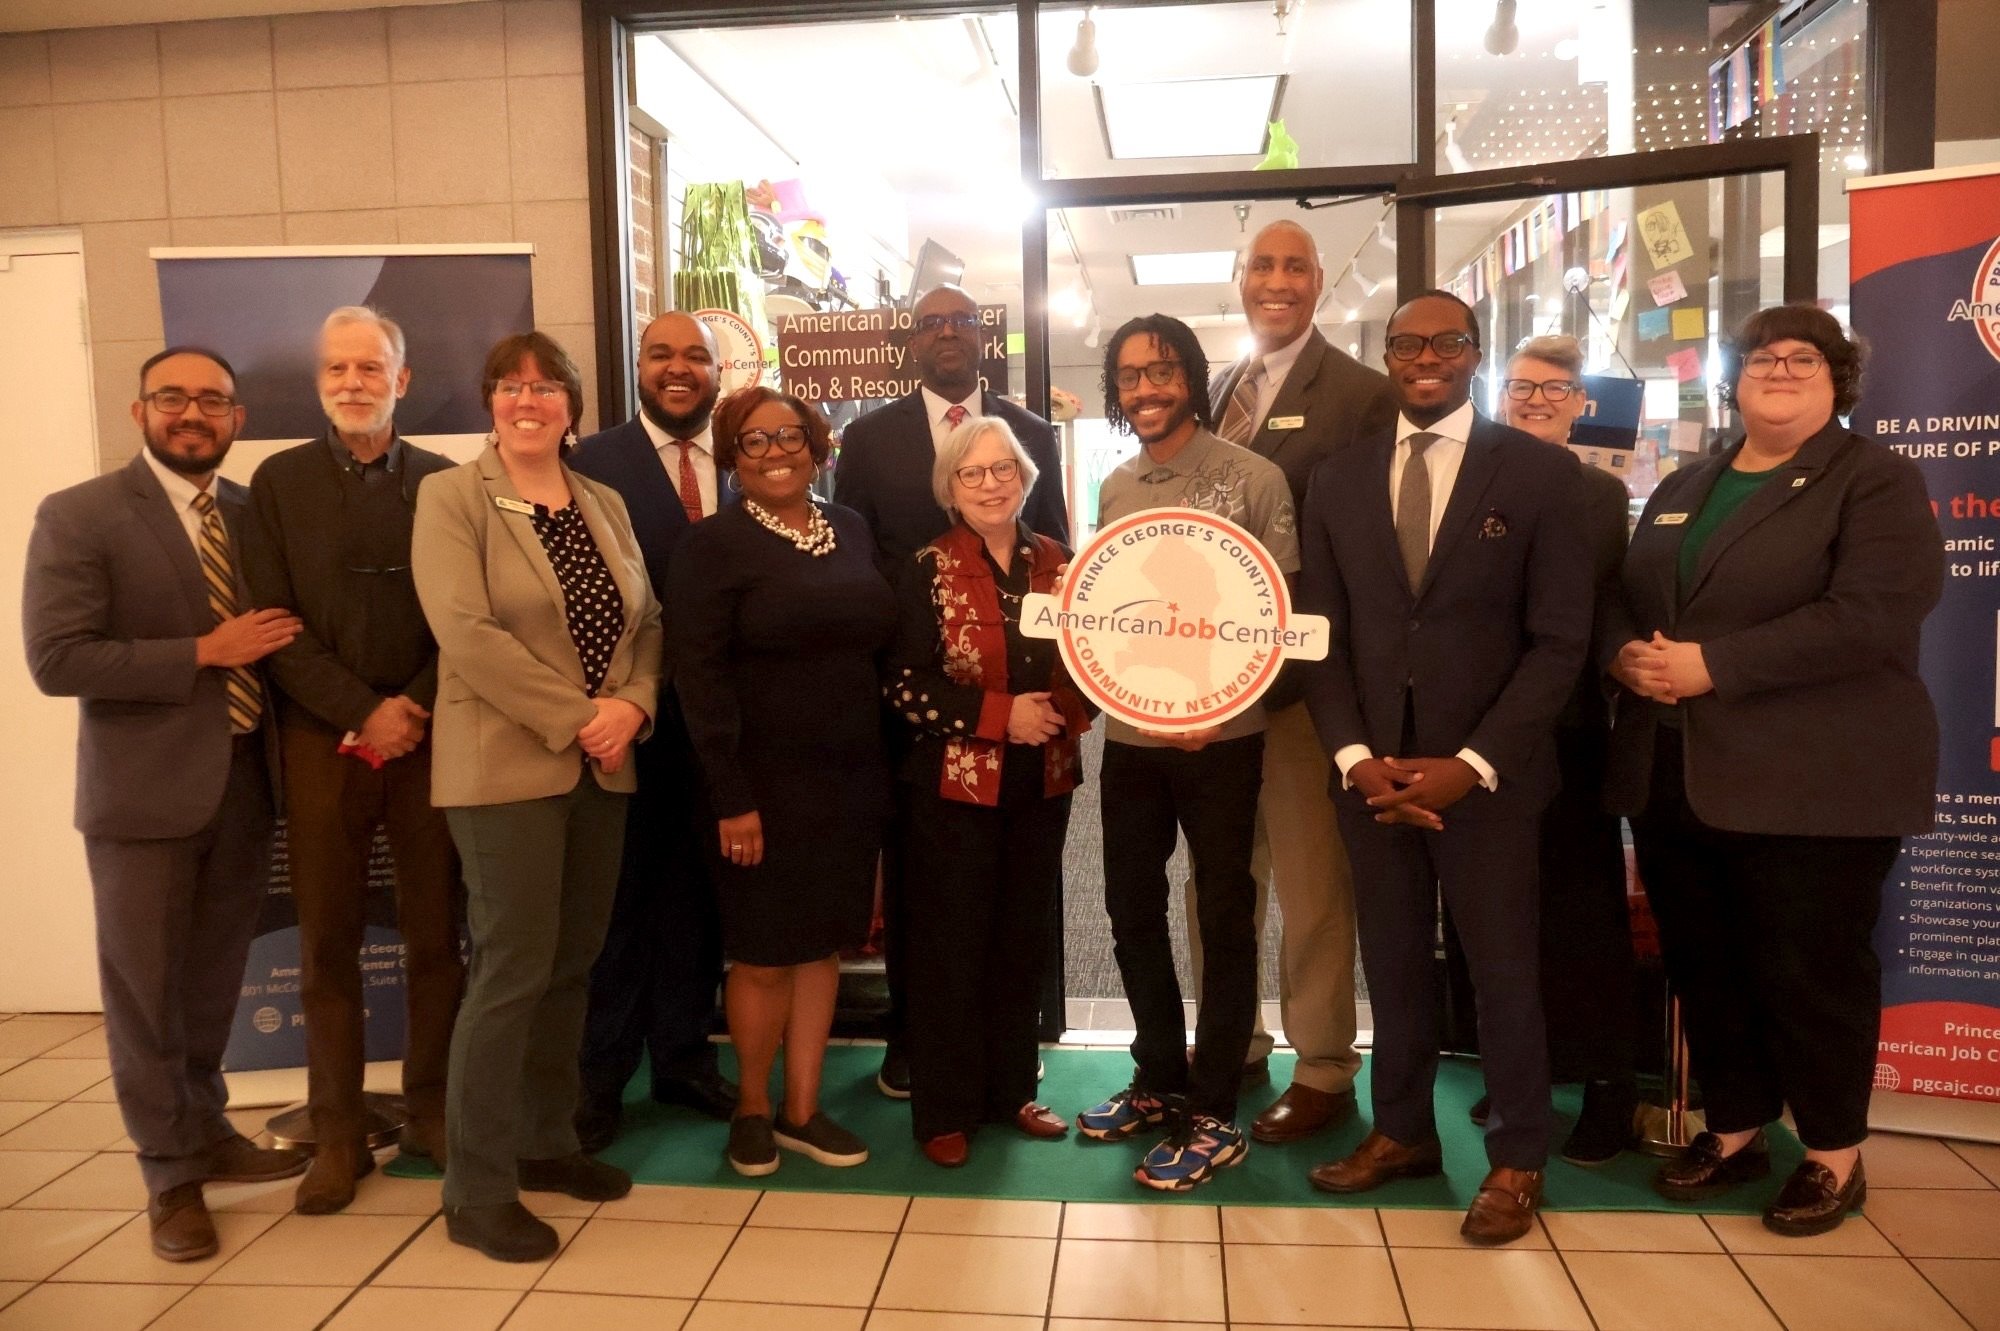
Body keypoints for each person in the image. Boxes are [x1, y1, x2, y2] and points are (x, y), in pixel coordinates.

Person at [1603, 304, 1943, 1236]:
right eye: (1762, 357)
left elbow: (1875, 611)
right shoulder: (1686, 483)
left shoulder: (1873, 480)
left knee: (1811, 970)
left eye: (1804, 358)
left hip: (1816, 781)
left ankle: (1834, 1152)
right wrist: (1625, 654)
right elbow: (1625, 595)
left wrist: (1718, 665)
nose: (1780, 369)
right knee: (1707, 963)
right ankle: (1737, 1125)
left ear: (1839, 380)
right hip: (1678, 774)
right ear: (1734, 376)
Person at [1297, 292, 1590, 1244]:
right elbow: (1321, 636)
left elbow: (1560, 643)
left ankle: (1516, 1156)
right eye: (1407, 344)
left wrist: (1473, 762)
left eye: (1447, 342)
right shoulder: (1336, 479)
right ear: (1386, 358)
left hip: (1486, 779)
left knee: (1504, 969)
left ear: (1475, 353)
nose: (1427, 357)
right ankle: (1402, 1133)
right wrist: (1351, 756)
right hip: (1372, 777)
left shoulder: (1544, 475)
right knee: (1392, 963)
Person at [24, 347, 310, 1261]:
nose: (194, 413)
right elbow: (57, 658)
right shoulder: (81, 514)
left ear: (237, 416)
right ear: (139, 408)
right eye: (174, 398)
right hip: (141, 799)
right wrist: (201, 651)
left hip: (243, 787)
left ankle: (210, 1130)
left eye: (213, 401)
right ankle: (168, 1176)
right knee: (144, 992)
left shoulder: (244, 511)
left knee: (210, 982)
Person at [411, 331, 661, 1263]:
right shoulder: (450, 495)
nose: (530, 400)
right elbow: (464, 632)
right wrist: (580, 717)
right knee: (511, 968)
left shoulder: (602, 499)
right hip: (505, 765)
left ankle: (544, 1141)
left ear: (571, 404)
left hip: (605, 761)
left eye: (547, 386)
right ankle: (475, 1190)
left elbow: (649, 621)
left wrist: (630, 706)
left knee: (574, 960)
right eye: (511, 385)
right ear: (489, 400)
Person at [242, 306, 464, 1213]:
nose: (352, 383)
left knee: (435, 937)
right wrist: (363, 711)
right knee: (326, 944)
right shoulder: (276, 482)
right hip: (321, 742)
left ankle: (431, 1110)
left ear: (402, 380)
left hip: (431, 736)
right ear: (319, 382)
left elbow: (468, 619)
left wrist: (408, 707)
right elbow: (272, 625)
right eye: (337, 368)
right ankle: (336, 1132)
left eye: (370, 368)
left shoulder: (448, 485)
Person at [1075, 314, 1296, 1192]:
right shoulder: (1118, 485)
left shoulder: (1254, 477)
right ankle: (1159, 1076)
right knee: (1129, 906)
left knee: (1223, 913)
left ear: (1192, 376)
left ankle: (1215, 1109)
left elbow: (1277, 616)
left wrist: (1232, 701)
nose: (1146, 389)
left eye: (1162, 371)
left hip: (1222, 737)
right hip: (1133, 738)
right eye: (1130, 377)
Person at [834, 283, 1069, 1099]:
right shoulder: (867, 439)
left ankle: (1009, 1072)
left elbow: (1069, 598)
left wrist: (1059, 713)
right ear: (913, 339)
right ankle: (918, 1053)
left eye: (961, 321)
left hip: (1038, 747)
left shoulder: (1034, 431)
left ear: (983, 336)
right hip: (923, 720)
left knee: (1017, 914)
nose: (947, 334)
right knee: (930, 907)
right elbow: (858, 567)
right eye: (931, 322)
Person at [1196, 219, 1395, 1141]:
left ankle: (1321, 1065)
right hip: (1209, 686)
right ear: (1240, 279)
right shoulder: (1216, 389)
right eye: (1262, 266)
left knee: (1312, 883)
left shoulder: (1361, 395)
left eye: (1294, 267)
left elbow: (1372, 552)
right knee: (1218, 877)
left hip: (1301, 687)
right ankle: (1231, 1039)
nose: (1276, 281)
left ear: (1321, 283)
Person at [670, 385, 897, 1177]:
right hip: (756, 790)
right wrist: (731, 796)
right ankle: (754, 1108)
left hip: (850, 781)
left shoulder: (853, 529)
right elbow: (696, 679)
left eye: (789, 437)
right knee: (763, 955)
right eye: (755, 441)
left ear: (816, 445)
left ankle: (805, 1108)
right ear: (731, 457)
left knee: (822, 949)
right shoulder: (711, 545)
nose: (776, 452)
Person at [885, 416, 1092, 1168]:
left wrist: (1063, 713)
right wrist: (1003, 716)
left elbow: (1097, 665)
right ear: (950, 486)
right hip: (954, 789)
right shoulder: (925, 568)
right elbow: (906, 685)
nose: (990, 483)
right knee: (951, 946)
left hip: (1045, 781)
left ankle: (1010, 1091)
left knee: (1020, 939)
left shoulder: (1065, 565)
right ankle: (944, 1107)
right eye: (972, 472)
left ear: (1026, 475)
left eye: (1003, 467)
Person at [1458, 334, 1638, 1165]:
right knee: (1501, 920)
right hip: (1474, 737)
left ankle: (1609, 1088)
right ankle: (1522, 1072)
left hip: (1564, 736)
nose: (1535, 398)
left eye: (1553, 388)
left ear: (1579, 402)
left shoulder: (1597, 495)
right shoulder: (1469, 479)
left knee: (1581, 917)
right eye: (1522, 385)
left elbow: (1597, 609)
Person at [570, 311, 738, 1153]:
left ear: (718, 370)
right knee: (618, 904)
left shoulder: (748, 457)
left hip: (723, 730)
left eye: (696, 357)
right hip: (625, 722)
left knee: (697, 903)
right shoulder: (590, 462)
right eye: (662, 354)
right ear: (637, 365)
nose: (680, 369)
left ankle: (681, 1057)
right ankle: (600, 1078)